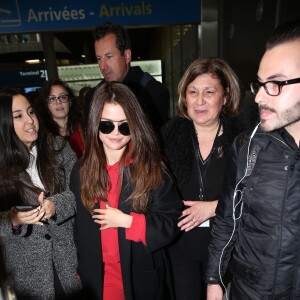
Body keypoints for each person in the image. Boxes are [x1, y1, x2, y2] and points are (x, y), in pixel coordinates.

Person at [206, 19, 300, 300]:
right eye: (260, 83)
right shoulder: (248, 146)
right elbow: (226, 222)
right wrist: (214, 283)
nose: (259, 96)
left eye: (276, 83)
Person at [70, 82, 182, 300]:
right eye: (106, 125)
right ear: (95, 124)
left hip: (139, 278)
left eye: (124, 126)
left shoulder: (151, 169)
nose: (115, 133)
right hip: (97, 278)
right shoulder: (82, 170)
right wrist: (81, 269)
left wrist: (129, 222)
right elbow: (78, 229)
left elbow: (171, 221)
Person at [161, 57, 240, 299]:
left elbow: (256, 193)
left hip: (227, 245)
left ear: (225, 96)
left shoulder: (242, 138)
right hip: (180, 245)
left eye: (209, 92)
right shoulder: (170, 134)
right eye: (193, 92)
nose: (200, 100)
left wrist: (214, 207)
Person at [0, 88, 81, 299]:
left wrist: (56, 204)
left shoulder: (58, 147)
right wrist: (13, 219)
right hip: (26, 271)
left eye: (30, 112)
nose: (29, 120)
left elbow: (82, 192)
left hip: (69, 260)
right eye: (18, 116)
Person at [83, 22, 170, 133]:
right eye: (99, 58)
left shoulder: (154, 93)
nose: (103, 66)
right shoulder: (92, 98)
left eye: (109, 57)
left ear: (127, 56)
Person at [39, 78, 85, 158]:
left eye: (63, 97)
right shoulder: (43, 136)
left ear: (70, 102)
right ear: (46, 105)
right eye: (52, 99)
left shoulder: (84, 128)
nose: (58, 102)